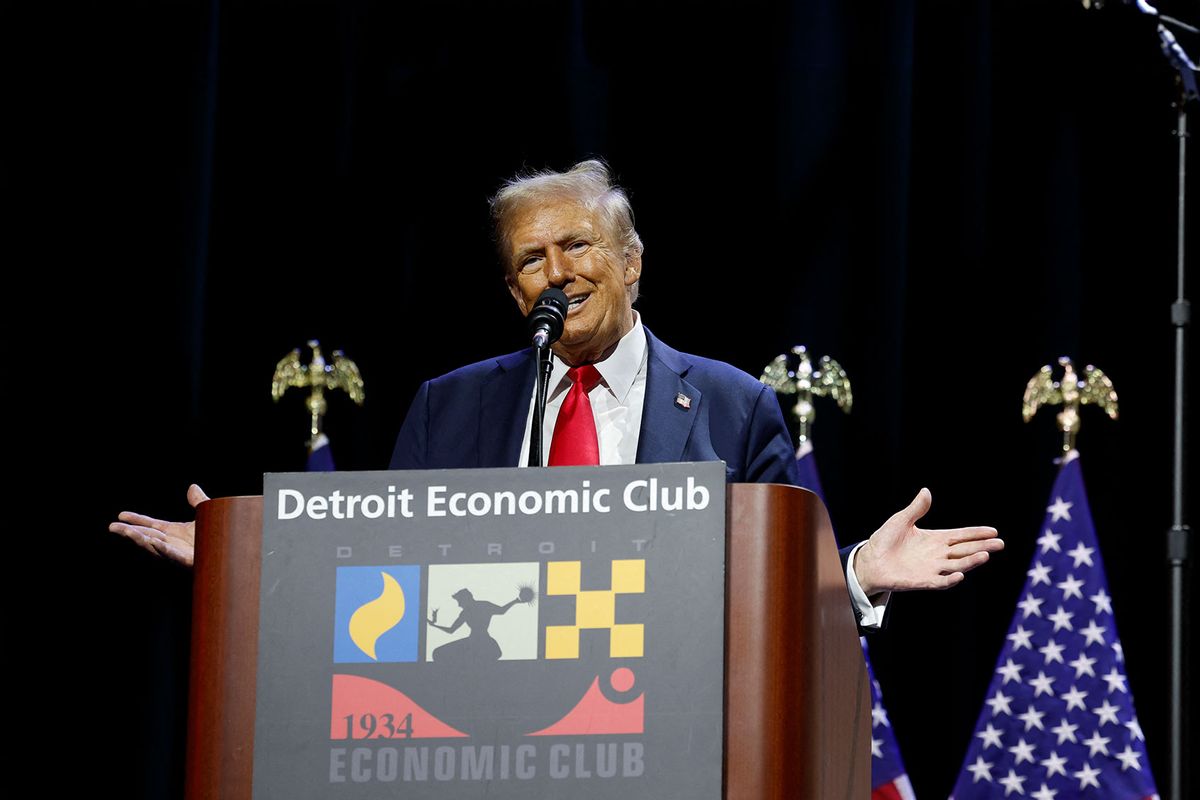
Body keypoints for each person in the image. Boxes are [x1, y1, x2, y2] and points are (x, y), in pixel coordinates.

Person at [110, 160, 1004, 622]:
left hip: (673, 732)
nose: (557, 272)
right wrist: (244, 563)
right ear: (513, 293)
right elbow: (381, 573)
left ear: (630, 263)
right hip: (491, 740)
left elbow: (769, 588)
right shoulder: (449, 408)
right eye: (530, 260)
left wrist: (854, 577)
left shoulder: (734, 406)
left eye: (576, 246)